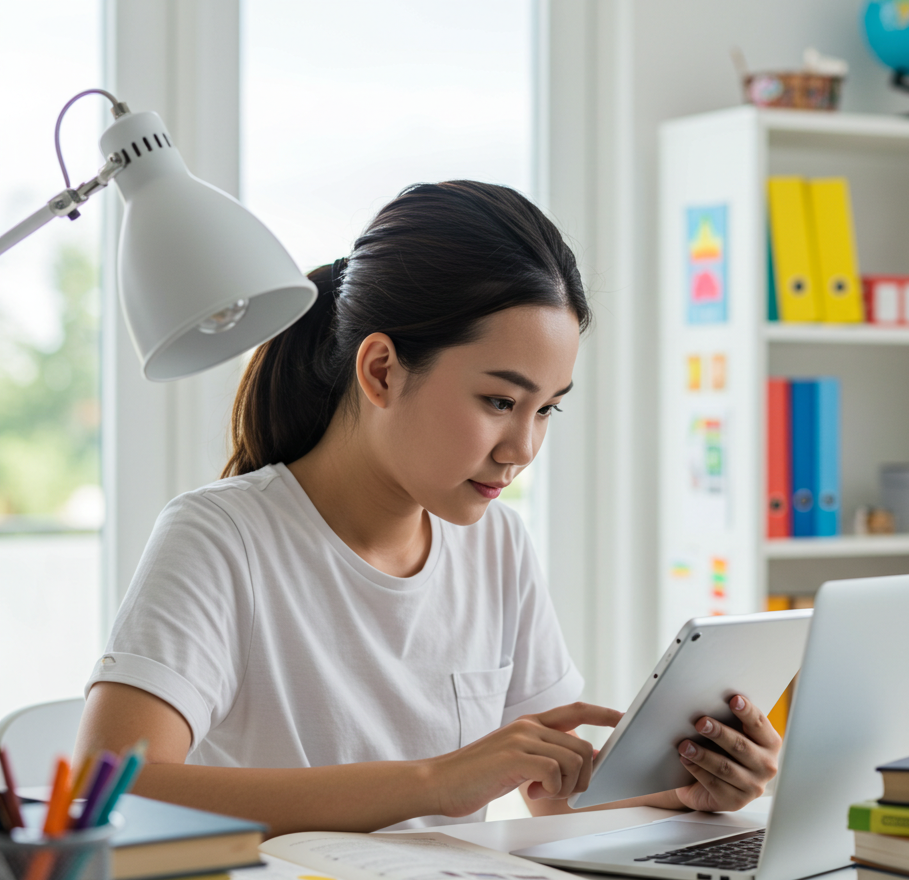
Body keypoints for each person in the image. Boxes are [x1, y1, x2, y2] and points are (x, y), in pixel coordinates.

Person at [75, 181, 781, 836]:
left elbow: (553, 793)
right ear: (381, 370)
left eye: (546, 410)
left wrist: (694, 788)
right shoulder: (223, 538)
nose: (523, 447)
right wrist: (438, 781)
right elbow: (111, 791)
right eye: (500, 402)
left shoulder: (497, 544)